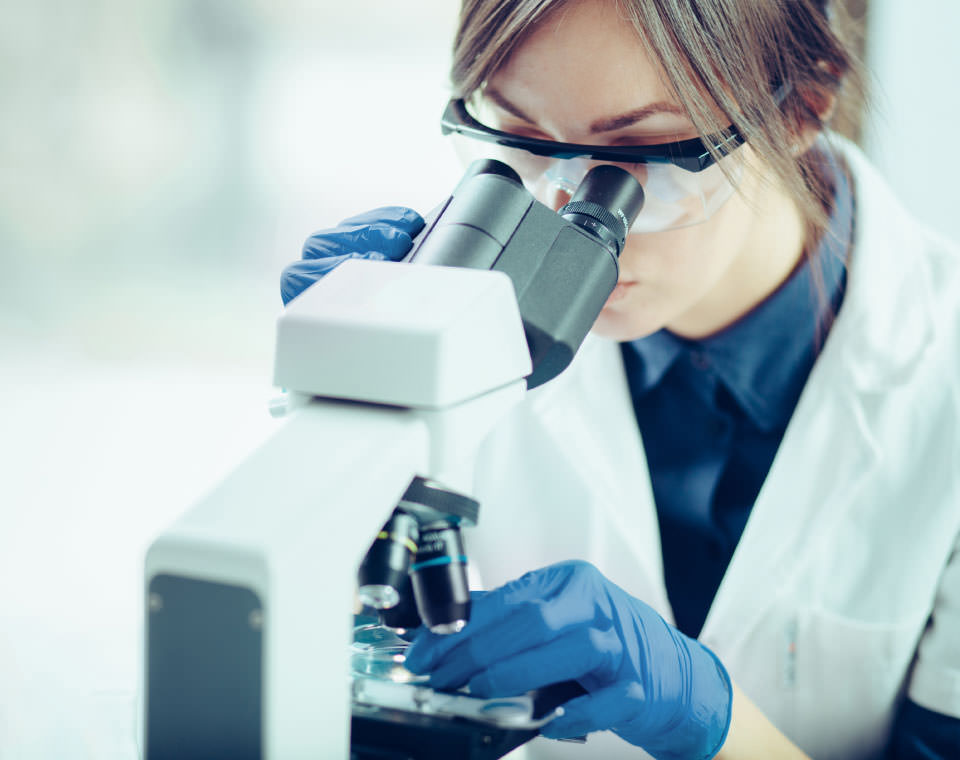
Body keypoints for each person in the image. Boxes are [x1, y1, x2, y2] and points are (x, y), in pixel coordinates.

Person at [281, 1, 960, 757]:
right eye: (523, 139)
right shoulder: (461, 310)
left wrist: (719, 725)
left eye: (643, 152)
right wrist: (341, 409)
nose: (569, 207)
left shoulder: (943, 375)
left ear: (803, 105)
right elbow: (337, 639)